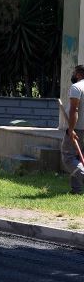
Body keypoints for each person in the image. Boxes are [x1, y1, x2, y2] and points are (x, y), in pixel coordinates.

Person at [61, 64, 84, 195]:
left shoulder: (77, 87)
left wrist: (71, 129)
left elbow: (74, 110)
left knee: (69, 157)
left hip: (78, 129)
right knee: (78, 158)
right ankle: (76, 190)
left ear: (79, 74)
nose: (73, 75)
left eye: (75, 73)